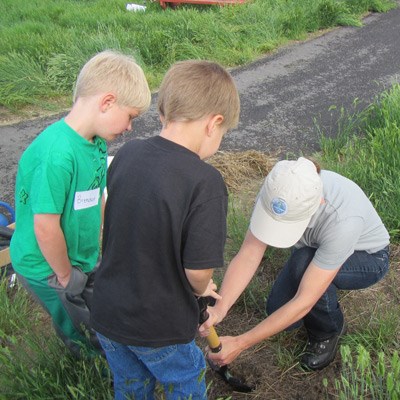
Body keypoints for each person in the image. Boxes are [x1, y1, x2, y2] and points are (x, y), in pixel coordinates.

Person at [91, 60, 240, 400]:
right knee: (184, 380)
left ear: (164, 111)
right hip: (159, 326)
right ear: (213, 123)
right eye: (223, 132)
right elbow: (197, 272)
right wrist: (205, 285)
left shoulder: (127, 154)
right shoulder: (206, 182)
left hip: (109, 314)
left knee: (131, 387)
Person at [10, 50, 151, 357]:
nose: (130, 127)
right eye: (131, 117)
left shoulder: (96, 143)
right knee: (78, 326)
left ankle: (108, 349)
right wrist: (64, 275)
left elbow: (96, 195)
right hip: (47, 266)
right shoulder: (57, 155)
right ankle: (94, 368)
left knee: (99, 310)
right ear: (107, 102)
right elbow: (45, 227)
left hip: (80, 258)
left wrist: (105, 239)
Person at [201, 157, 390, 371]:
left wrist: (240, 343)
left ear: (318, 203)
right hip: (316, 247)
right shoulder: (278, 189)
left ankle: (329, 331)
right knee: (282, 316)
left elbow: (304, 300)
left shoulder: (343, 221)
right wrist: (220, 308)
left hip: (368, 258)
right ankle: (310, 269)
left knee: (303, 266)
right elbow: (249, 253)